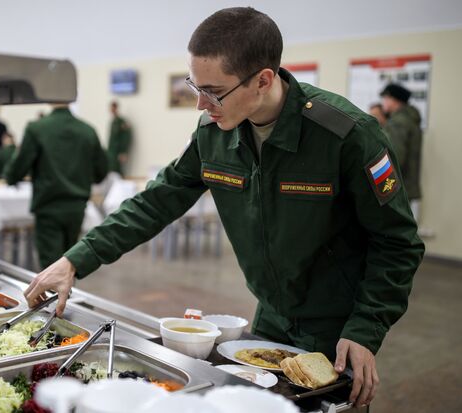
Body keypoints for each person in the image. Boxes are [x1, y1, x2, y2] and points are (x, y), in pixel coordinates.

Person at [24, 8, 424, 407]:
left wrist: (365, 328)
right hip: (270, 314)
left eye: (213, 91)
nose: (200, 104)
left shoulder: (344, 136)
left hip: (338, 326)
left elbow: (397, 243)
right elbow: (156, 201)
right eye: (194, 86)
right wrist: (76, 260)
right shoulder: (214, 134)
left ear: (263, 80)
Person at [4, 104, 108, 269]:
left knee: (51, 266)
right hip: (76, 207)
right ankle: (65, 294)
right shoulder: (87, 130)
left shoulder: (37, 129)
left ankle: (55, 295)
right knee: (69, 264)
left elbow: (18, 168)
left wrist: (11, 177)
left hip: (48, 206)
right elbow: (102, 171)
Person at [380, 84, 423, 220]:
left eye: (386, 98)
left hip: (395, 189)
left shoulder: (398, 123)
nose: (383, 103)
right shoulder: (411, 120)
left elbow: (394, 157)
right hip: (405, 187)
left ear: (394, 100)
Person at [107, 101, 132, 176]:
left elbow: (126, 137)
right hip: (111, 152)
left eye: (113, 108)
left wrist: (124, 152)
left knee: (118, 172)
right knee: (112, 171)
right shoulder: (113, 121)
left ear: (116, 108)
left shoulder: (121, 122)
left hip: (118, 152)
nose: (112, 110)